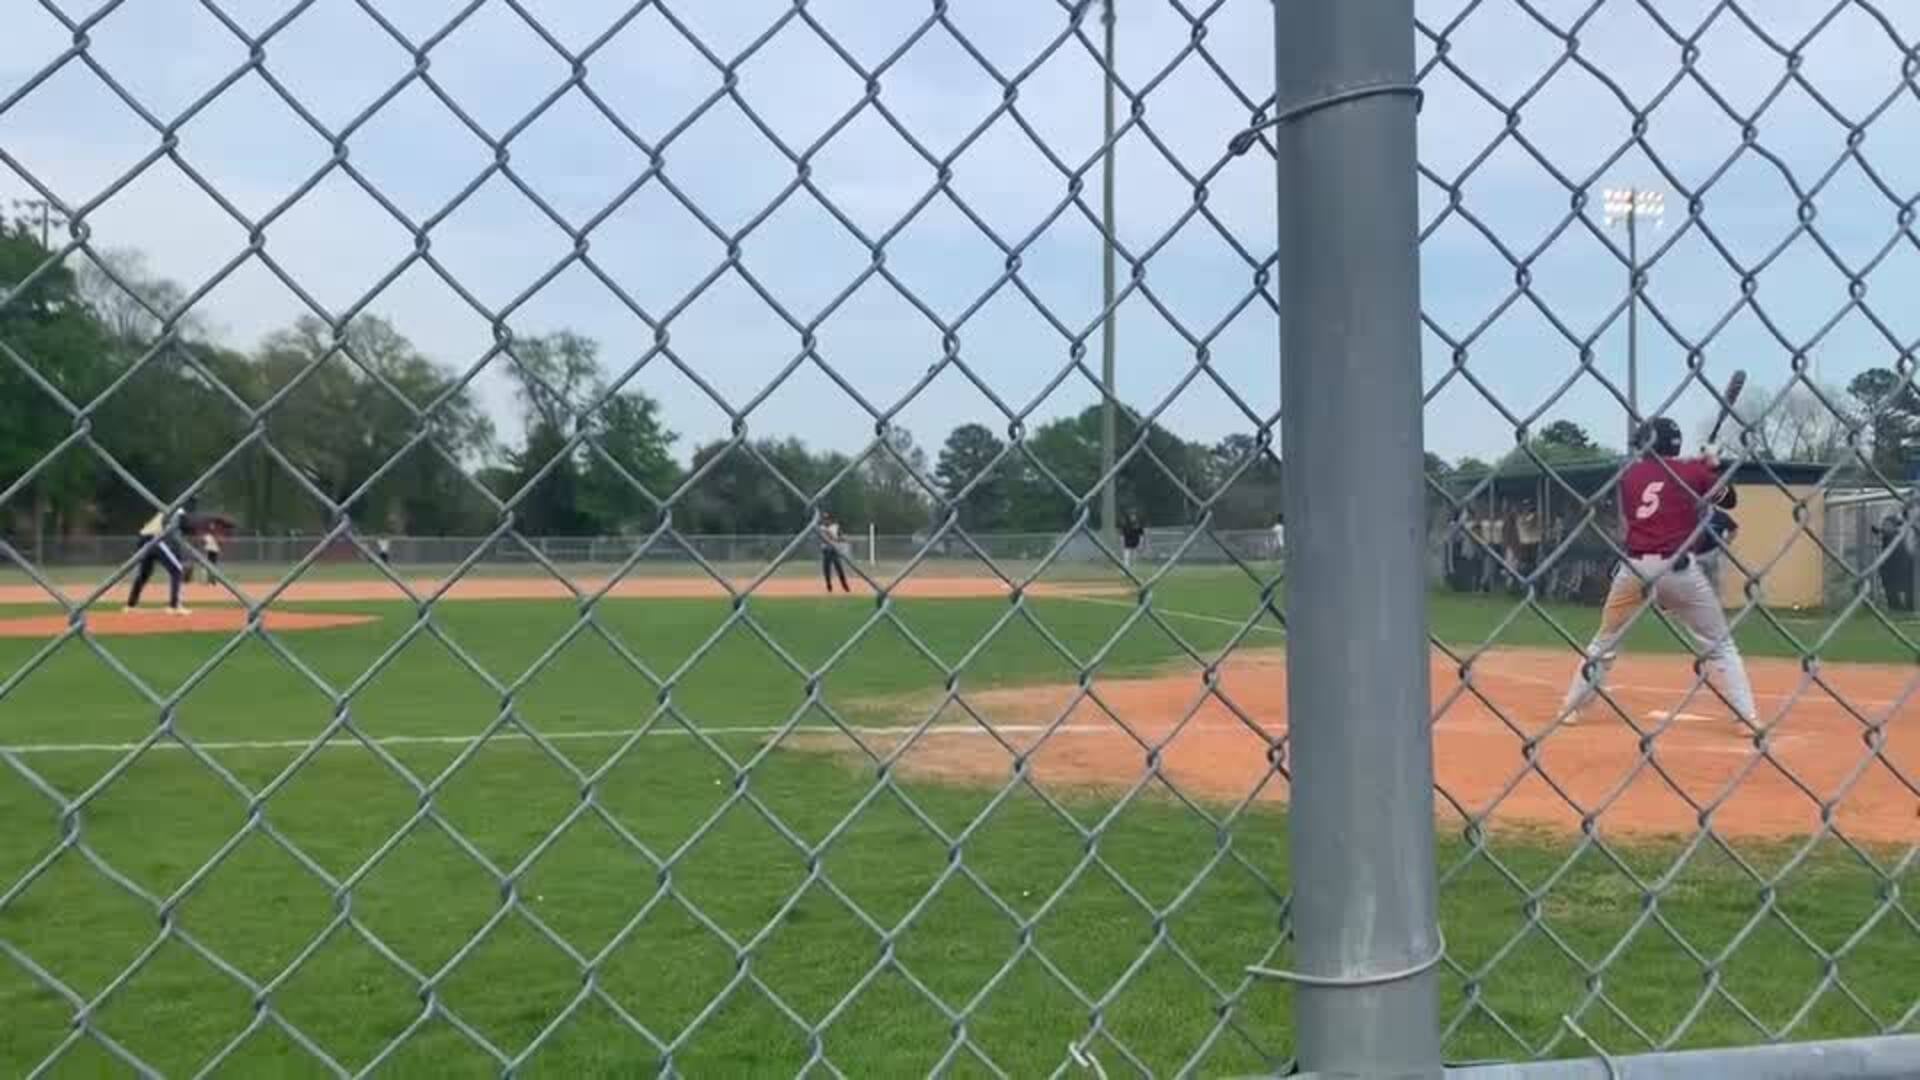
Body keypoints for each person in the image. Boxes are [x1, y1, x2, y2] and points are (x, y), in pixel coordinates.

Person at [1560, 417, 1755, 727]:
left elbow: (1665, 483)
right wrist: (1711, 465)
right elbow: (1728, 499)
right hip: (1679, 569)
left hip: (1634, 568)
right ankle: (1747, 719)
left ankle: (1571, 709)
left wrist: (1699, 468)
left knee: (1604, 642)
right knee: (1721, 646)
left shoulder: (1630, 475)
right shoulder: (1693, 472)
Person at [126, 500, 194, 615]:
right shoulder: (179, 511)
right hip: (155, 539)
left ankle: (130, 605)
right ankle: (174, 606)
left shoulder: (165, 510)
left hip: (143, 539)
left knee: (144, 574)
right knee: (177, 570)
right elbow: (175, 532)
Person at [1875, 512, 1913, 612]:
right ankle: (1896, 607)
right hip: (1890, 569)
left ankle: (1907, 608)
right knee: (1891, 589)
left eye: (1888, 525)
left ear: (1895, 526)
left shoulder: (1897, 537)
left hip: (1901, 568)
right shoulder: (1887, 537)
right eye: (1884, 525)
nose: (1885, 527)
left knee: (1906, 589)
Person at [820, 512, 851, 593]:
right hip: (826, 550)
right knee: (826, 569)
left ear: (830, 519)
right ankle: (829, 585)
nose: (825, 521)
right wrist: (832, 536)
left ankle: (844, 584)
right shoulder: (821, 528)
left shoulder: (835, 527)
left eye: (827, 519)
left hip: (834, 550)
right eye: (824, 519)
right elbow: (823, 538)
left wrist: (842, 539)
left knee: (839, 568)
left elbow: (840, 536)